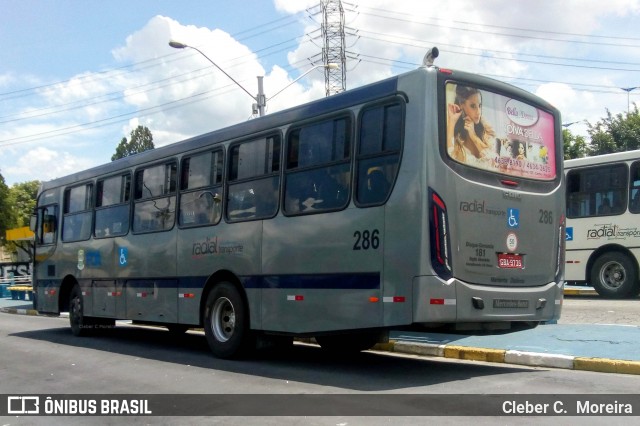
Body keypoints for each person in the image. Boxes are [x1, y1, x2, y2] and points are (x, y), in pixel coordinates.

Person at [447, 85, 495, 164]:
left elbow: (495, 163)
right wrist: (452, 121)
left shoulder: (487, 132)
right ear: (462, 105)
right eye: (473, 106)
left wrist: (474, 136)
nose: (478, 112)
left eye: (479, 105)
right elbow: (449, 161)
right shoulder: (455, 137)